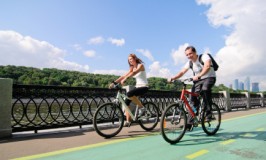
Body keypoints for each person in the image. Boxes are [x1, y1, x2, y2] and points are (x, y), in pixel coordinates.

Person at [168, 46, 216, 129]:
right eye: (187, 55)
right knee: (193, 100)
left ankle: (209, 113)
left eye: (190, 53)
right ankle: (190, 123)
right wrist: (173, 78)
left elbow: (207, 66)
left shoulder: (204, 56)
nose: (189, 56)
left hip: (209, 77)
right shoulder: (189, 63)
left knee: (205, 89)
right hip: (198, 81)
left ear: (195, 52)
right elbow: (182, 72)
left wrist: (199, 75)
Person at [109, 53, 149, 126]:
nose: (130, 61)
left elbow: (134, 73)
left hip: (144, 87)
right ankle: (128, 121)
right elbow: (124, 75)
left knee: (129, 94)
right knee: (126, 103)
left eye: (131, 59)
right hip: (137, 87)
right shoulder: (132, 68)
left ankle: (142, 108)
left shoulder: (141, 66)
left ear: (135, 59)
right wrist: (114, 83)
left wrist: (126, 79)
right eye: (129, 60)